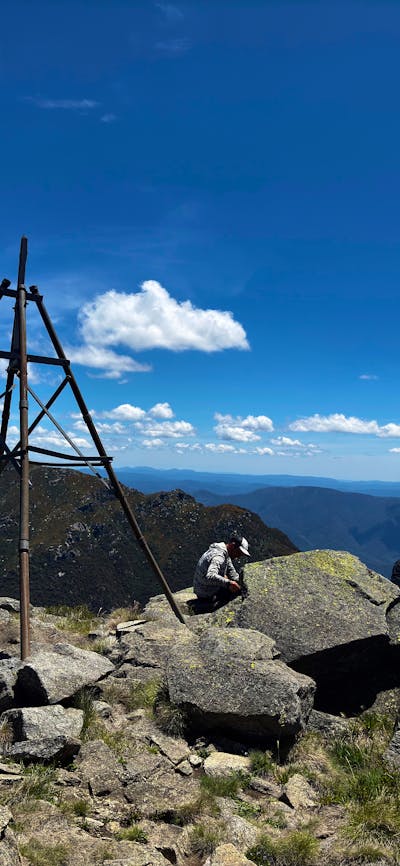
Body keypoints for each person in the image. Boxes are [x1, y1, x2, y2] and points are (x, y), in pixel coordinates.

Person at [193, 533, 250, 602]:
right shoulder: (219, 556)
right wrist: (228, 583)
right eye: (238, 552)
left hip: (202, 587)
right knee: (234, 594)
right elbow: (210, 576)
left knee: (235, 588)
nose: (238, 556)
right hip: (205, 592)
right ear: (232, 545)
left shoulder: (226, 554)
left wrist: (240, 582)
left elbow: (231, 572)